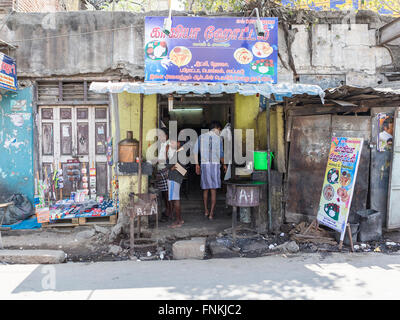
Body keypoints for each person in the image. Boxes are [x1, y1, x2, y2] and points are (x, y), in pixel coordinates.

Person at [194, 121, 227, 220]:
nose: (220, 132)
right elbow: (221, 155)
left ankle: (206, 210)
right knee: (213, 190)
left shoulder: (201, 137)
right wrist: (224, 164)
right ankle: (211, 213)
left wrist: (197, 164)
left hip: (204, 165)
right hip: (215, 165)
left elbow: (195, 152)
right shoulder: (219, 139)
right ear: (217, 128)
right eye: (220, 130)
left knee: (205, 189)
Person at [166, 137, 187, 228]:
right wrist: (171, 166)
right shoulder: (180, 153)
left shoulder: (179, 153)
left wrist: (172, 166)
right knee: (175, 199)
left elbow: (182, 169)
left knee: (175, 200)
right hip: (175, 178)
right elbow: (170, 165)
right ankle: (180, 219)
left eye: (172, 143)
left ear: (178, 143)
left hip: (174, 178)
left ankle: (178, 221)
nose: (171, 145)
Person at [156, 127, 171, 221]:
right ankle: (167, 210)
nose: (159, 137)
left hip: (166, 170)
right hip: (161, 170)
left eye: (161, 135)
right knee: (165, 193)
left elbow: (169, 160)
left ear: (166, 135)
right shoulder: (162, 144)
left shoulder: (168, 145)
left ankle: (169, 212)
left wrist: (156, 160)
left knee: (167, 194)